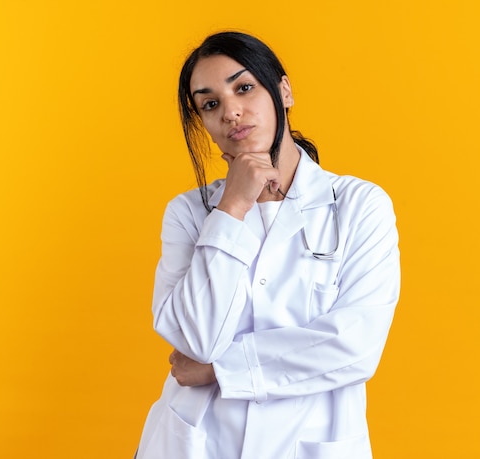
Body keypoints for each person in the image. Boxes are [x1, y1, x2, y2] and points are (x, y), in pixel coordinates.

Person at [134, 31, 400, 459]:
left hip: (308, 442)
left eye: (243, 88)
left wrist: (219, 371)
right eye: (210, 103)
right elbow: (196, 339)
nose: (231, 112)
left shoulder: (359, 205)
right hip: (197, 442)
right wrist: (233, 207)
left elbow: (354, 345)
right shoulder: (188, 214)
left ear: (284, 90)